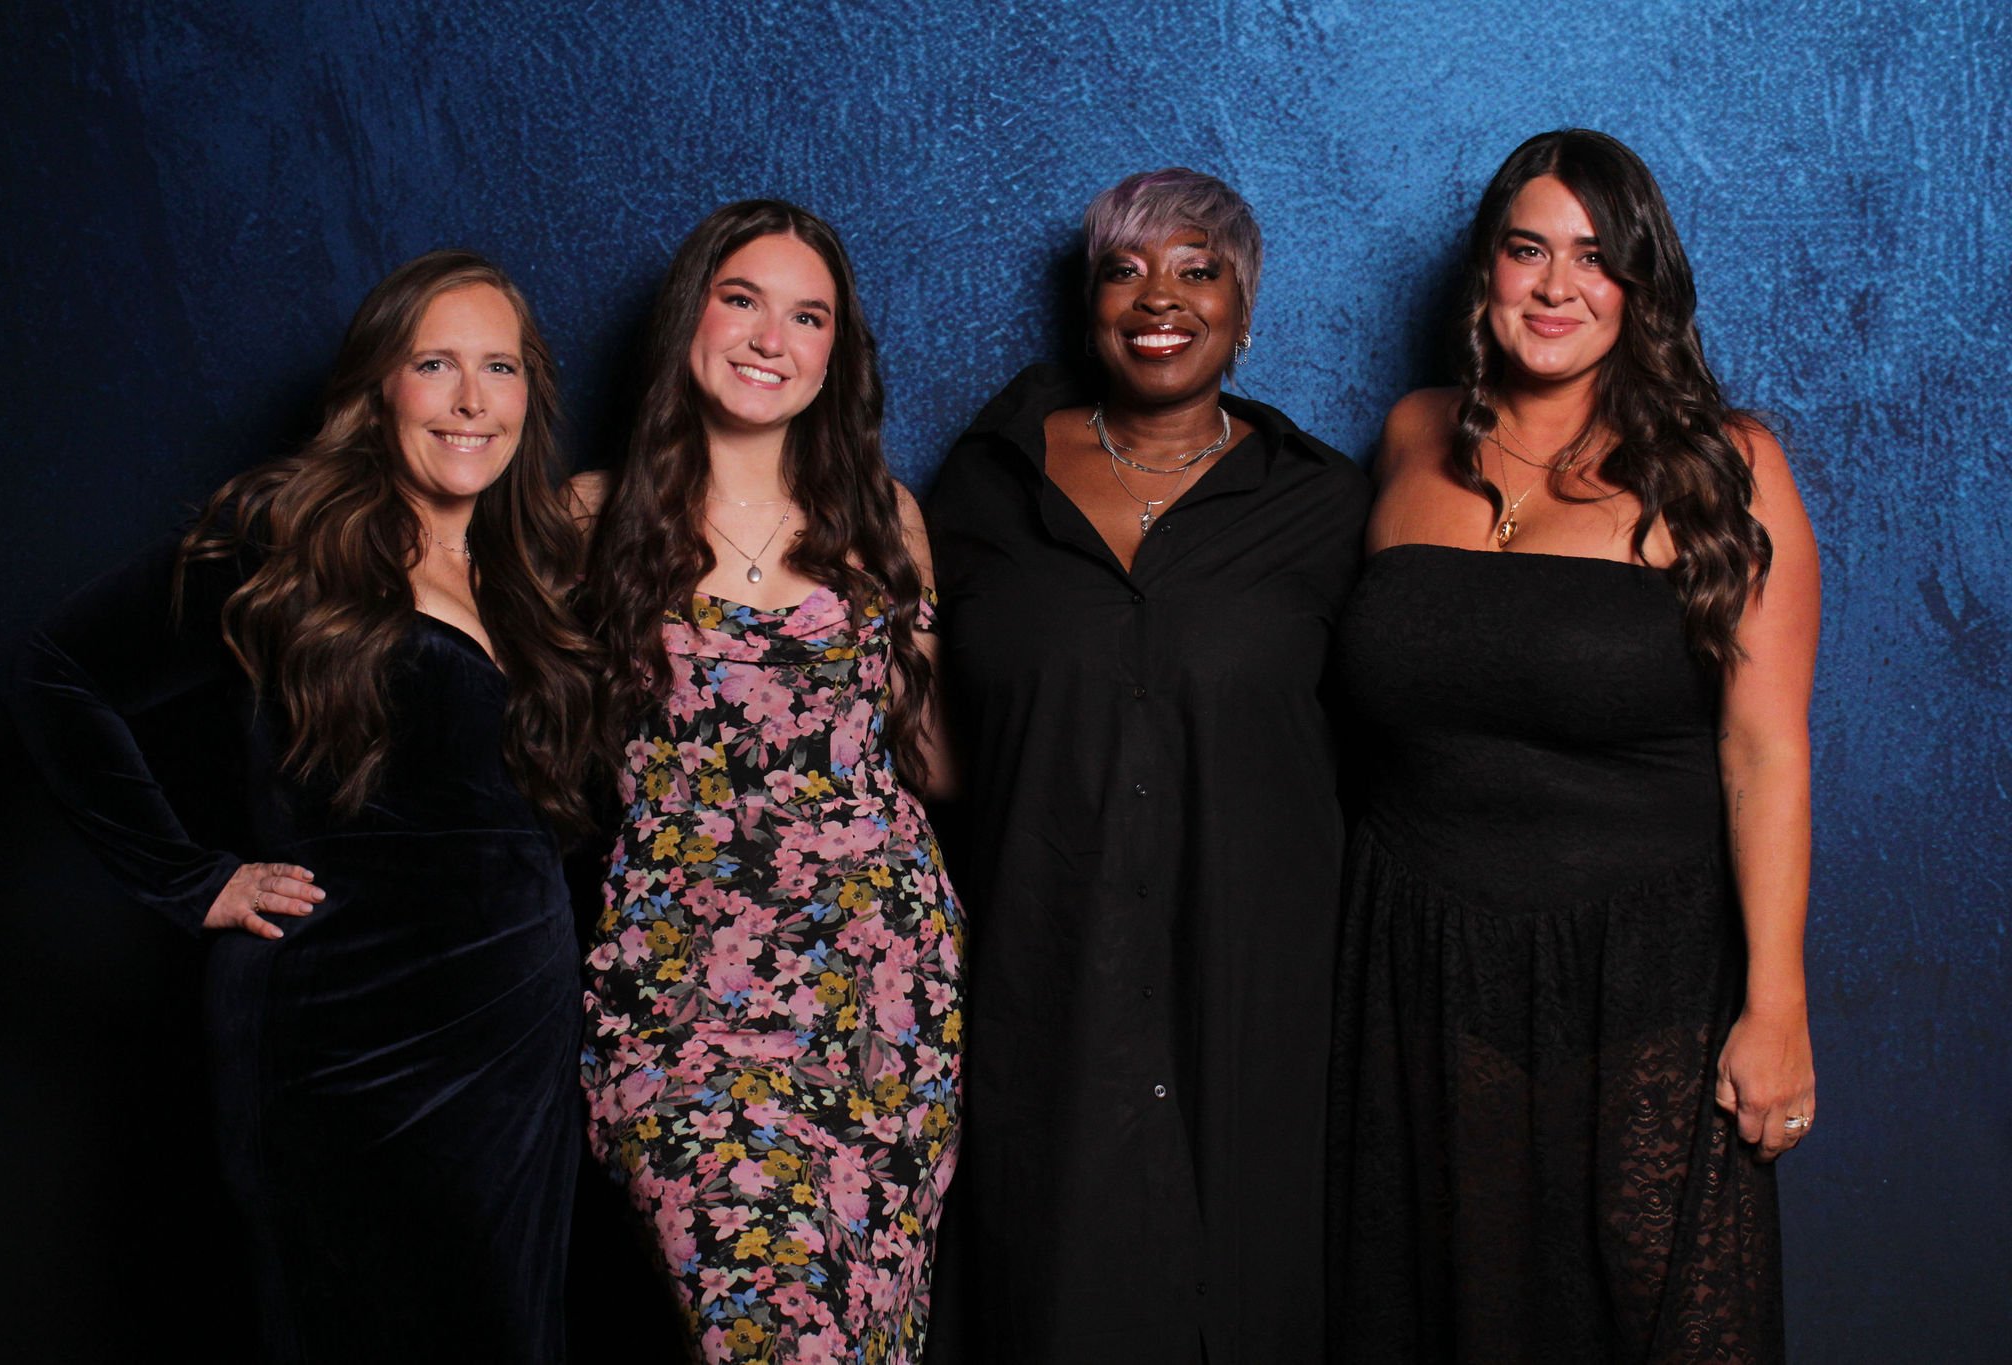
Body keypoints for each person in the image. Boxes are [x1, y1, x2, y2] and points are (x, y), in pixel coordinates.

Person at [9, 250, 603, 1360]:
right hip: (350, 1038)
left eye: (501, 367)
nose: (473, 400)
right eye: (435, 364)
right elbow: (59, 671)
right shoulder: (289, 537)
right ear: (378, 388)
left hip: (513, 1045)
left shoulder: (524, 572)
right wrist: (192, 877)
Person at [1329, 128, 1819, 1362]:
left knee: (1654, 1319)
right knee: (1448, 1315)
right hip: (1420, 963)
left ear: (1640, 283)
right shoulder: (1407, 435)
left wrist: (1774, 1004)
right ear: (1484, 274)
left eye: (1594, 258)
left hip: (1641, 972)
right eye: (1526, 250)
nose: (1555, 288)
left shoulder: (1726, 466)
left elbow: (1763, 753)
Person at [924, 169, 1371, 1363]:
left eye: (1195, 269)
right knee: (1046, 1285)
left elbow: (1394, 729)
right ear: (1088, 305)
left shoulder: (1324, 507)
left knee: (1239, 1293)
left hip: (1250, 991)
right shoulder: (982, 483)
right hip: (1040, 978)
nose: (1156, 298)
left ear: (1242, 305)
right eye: (1123, 270)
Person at [573, 200, 964, 1365]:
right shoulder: (582, 518)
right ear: (689, 313)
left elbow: (930, 759)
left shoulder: (884, 520)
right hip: (678, 995)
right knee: (766, 1328)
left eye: (807, 317)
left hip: (878, 996)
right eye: (741, 298)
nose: (768, 338)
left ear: (834, 356)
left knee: (857, 1332)